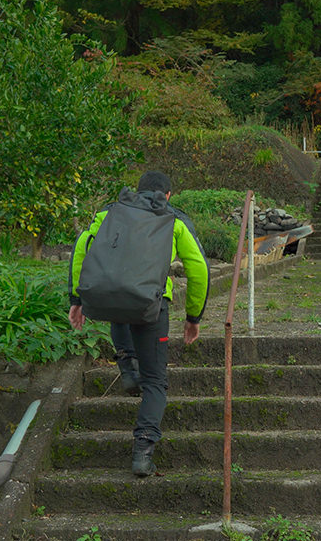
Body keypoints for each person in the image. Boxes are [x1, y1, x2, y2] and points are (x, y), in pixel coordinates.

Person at [67, 170, 210, 477]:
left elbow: (81, 250)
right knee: (156, 382)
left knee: (119, 310)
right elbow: (199, 268)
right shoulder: (174, 219)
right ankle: (142, 452)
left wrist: (76, 299)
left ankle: (127, 366)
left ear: (138, 189)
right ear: (168, 194)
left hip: (110, 302)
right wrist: (193, 317)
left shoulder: (110, 212)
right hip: (152, 306)